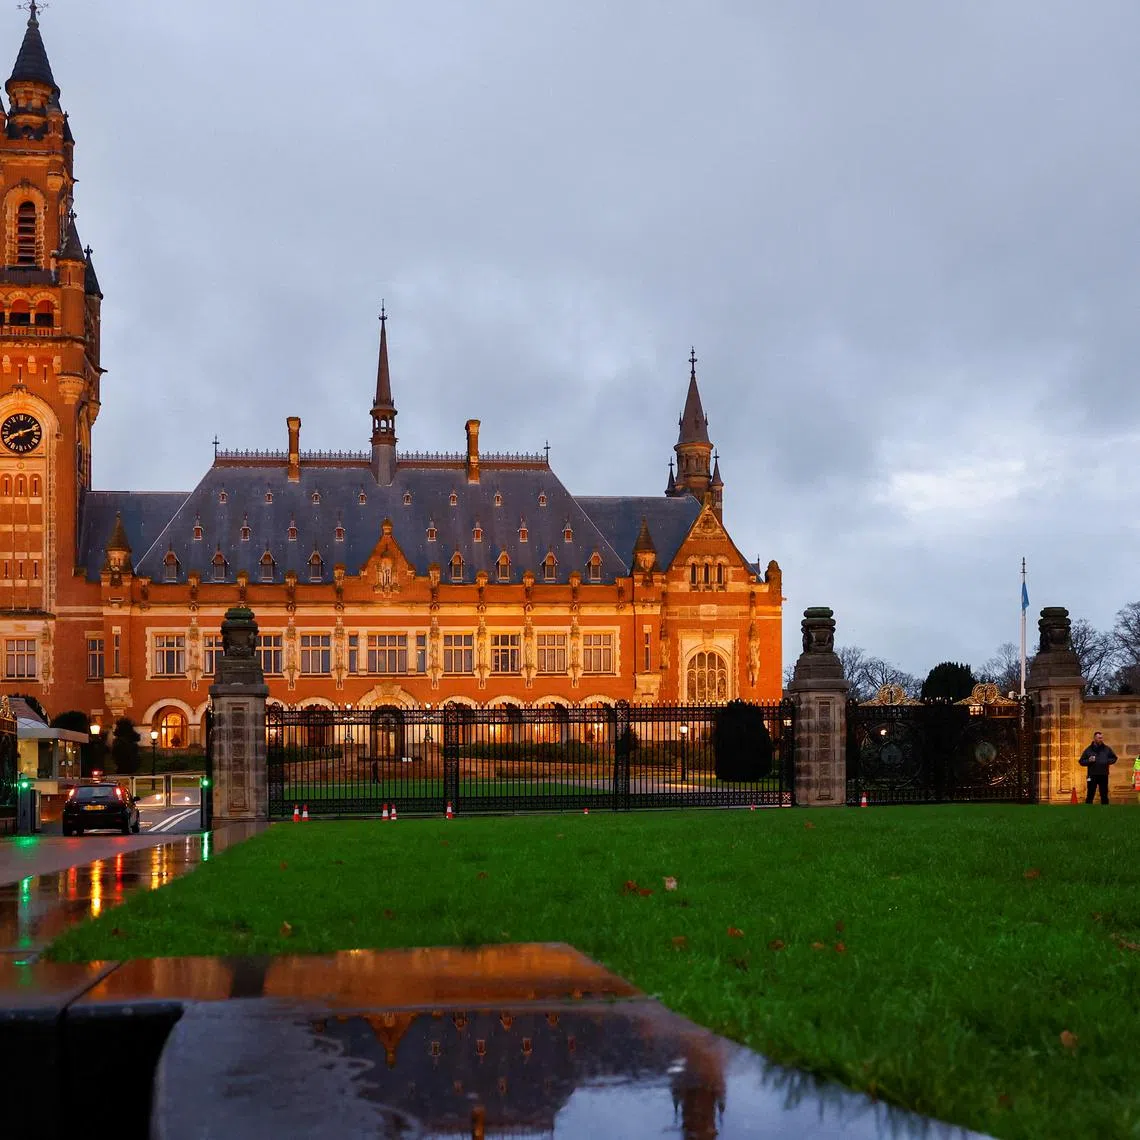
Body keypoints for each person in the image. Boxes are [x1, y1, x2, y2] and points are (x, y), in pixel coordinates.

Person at [1079, 731, 1117, 804]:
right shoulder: (1088, 750)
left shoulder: (1107, 749)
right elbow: (1081, 761)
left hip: (1103, 774)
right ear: (1095, 738)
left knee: (1104, 793)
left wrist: (1106, 761)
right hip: (1091, 774)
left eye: (1101, 738)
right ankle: (1088, 808)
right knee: (1090, 792)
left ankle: (1105, 809)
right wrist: (1089, 760)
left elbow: (1114, 758)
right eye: (1099, 738)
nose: (1101, 739)